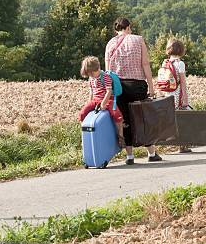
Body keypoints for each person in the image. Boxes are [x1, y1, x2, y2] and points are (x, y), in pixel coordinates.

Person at [105, 17, 162, 164]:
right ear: (129, 27)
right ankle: (151, 153)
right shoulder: (138, 39)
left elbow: (107, 71)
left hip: (118, 87)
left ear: (115, 30)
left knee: (126, 121)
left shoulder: (110, 44)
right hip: (137, 85)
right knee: (142, 118)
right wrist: (151, 86)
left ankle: (129, 156)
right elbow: (145, 64)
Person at [78, 56, 125, 147]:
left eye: (92, 72)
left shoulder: (106, 77)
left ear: (97, 68)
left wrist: (103, 103)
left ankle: (120, 137)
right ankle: (85, 134)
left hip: (107, 99)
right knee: (82, 113)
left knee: (117, 116)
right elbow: (91, 91)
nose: (91, 75)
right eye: (89, 73)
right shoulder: (91, 78)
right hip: (95, 100)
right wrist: (89, 102)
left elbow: (109, 91)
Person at [158, 38, 191, 153]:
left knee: (173, 119)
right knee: (183, 119)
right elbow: (182, 82)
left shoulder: (165, 63)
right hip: (178, 95)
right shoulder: (180, 63)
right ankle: (183, 145)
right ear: (181, 50)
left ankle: (173, 143)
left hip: (168, 95)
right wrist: (185, 97)